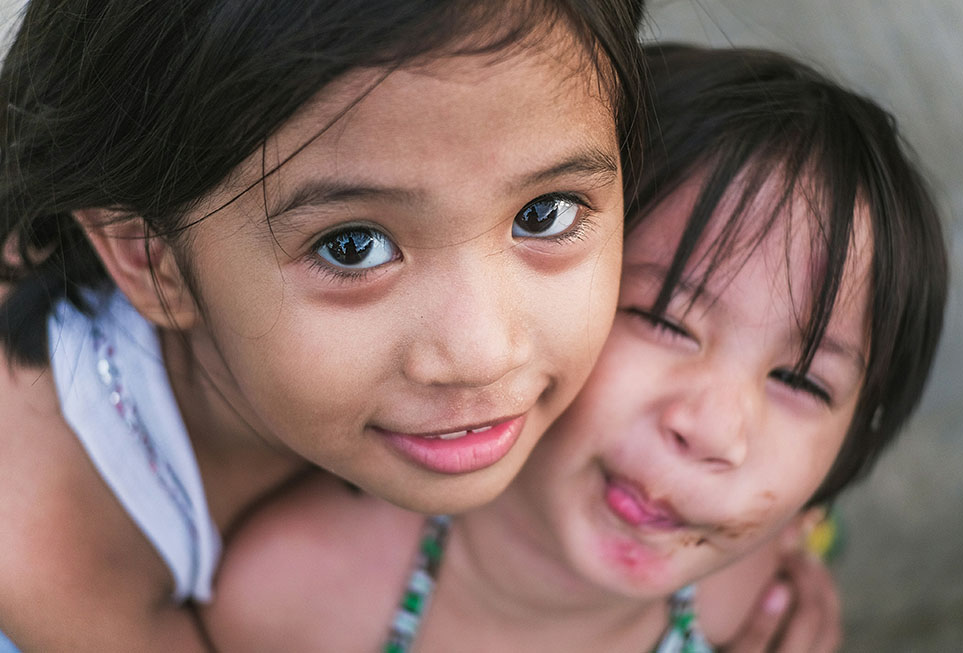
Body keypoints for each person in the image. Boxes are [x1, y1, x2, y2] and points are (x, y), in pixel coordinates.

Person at [203, 42, 948, 651]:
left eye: (803, 381)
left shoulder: (762, 587)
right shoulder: (297, 599)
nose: (714, 429)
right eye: (664, 321)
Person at [0, 1, 646, 649]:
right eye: (352, 245)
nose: (481, 353)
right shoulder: (49, 541)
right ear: (151, 259)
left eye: (545, 214)